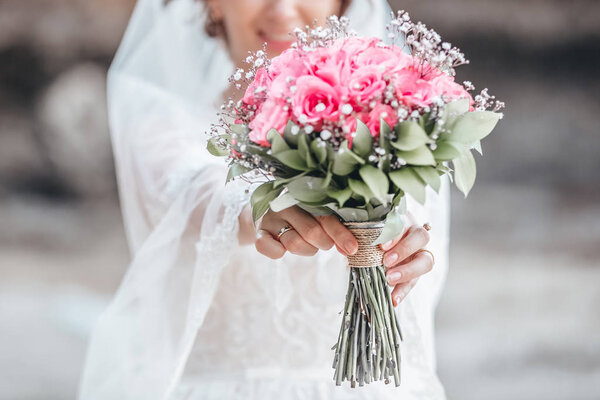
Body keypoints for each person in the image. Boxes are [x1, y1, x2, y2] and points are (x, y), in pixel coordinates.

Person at [79, 0, 450, 399]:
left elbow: (412, 224)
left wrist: (401, 237)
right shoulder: (163, 121)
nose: (282, 10)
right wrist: (259, 205)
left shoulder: (385, 121)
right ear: (213, 5)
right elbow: (194, 190)